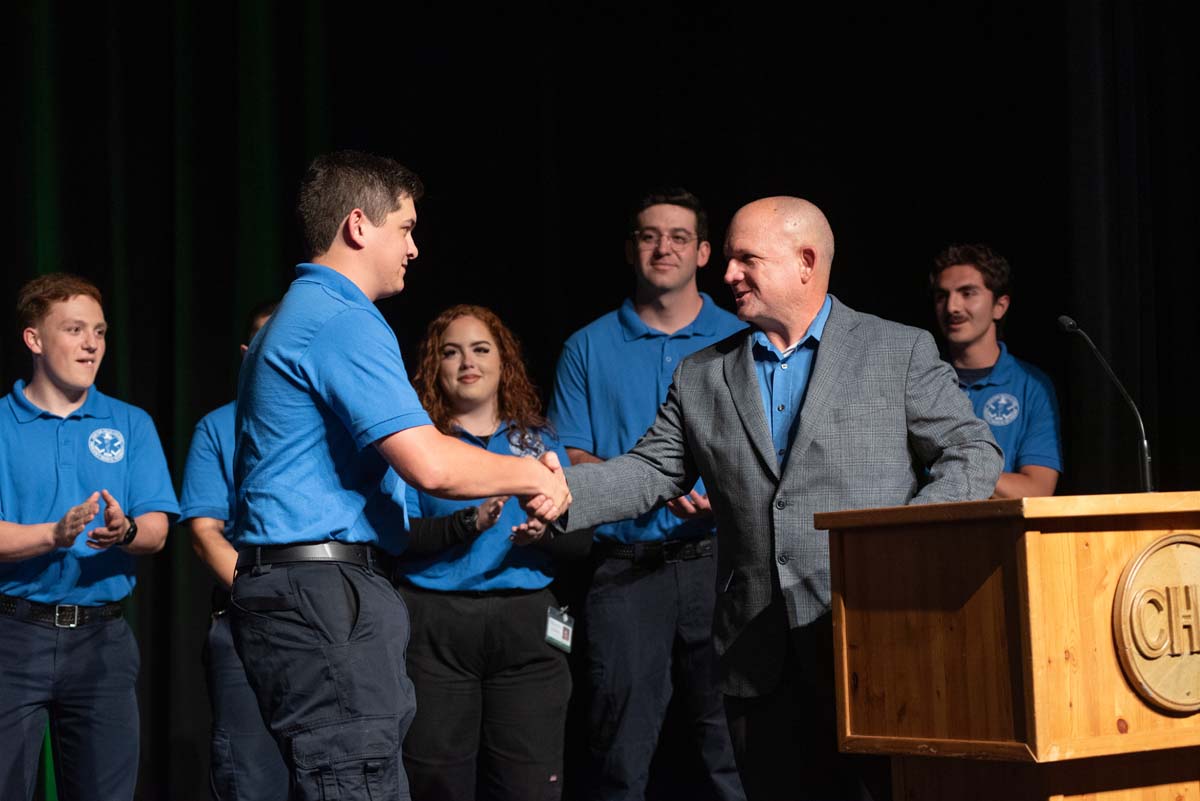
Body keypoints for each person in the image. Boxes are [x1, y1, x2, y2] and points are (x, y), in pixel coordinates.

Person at [545, 197, 1002, 801]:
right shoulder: (702, 372)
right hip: (755, 653)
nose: (727, 274)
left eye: (745, 259)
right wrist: (559, 491)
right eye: (729, 259)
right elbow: (653, 468)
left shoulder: (899, 351)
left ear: (806, 262)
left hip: (871, 638)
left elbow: (972, 454)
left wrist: (898, 545)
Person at [228, 150, 570, 801]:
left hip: (312, 586)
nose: (414, 247)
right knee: (357, 779)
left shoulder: (301, 315)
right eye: (406, 228)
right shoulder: (342, 319)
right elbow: (431, 464)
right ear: (359, 225)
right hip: (322, 590)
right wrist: (530, 472)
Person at [548, 188, 746, 801]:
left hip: (723, 567)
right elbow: (571, 458)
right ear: (631, 249)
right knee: (618, 750)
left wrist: (722, 490)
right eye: (649, 235)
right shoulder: (587, 345)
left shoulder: (740, 336)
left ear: (705, 252)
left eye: (679, 237)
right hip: (626, 569)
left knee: (732, 746)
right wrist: (649, 487)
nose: (664, 248)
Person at [0, 273, 179, 801]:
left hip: (102, 642)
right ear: (34, 340)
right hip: (14, 637)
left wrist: (124, 532)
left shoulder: (131, 423)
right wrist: (53, 535)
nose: (91, 344)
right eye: (75, 330)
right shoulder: (3, 425)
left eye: (98, 331)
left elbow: (158, 530)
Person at [396, 304, 573, 801]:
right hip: (437, 627)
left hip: (529, 625)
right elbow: (397, 535)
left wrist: (547, 529)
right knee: (436, 779)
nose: (466, 362)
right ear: (436, 367)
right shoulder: (419, 445)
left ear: (503, 361)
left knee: (529, 782)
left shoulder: (538, 440)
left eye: (480, 349)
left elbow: (582, 534)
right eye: (450, 353)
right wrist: (464, 524)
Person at [180, 300, 286, 801]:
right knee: (249, 776)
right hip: (246, 619)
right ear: (248, 355)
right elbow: (204, 534)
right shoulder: (219, 427)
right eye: (268, 346)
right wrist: (263, 597)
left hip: (328, 624)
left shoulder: (338, 421)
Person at [931, 243, 1062, 498]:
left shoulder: (1031, 386)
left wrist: (958, 471)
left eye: (967, 293)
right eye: (941, 296)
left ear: (1000, 306)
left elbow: (1037, 491)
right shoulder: (921, 380)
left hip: (1003, 535)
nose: (952, 307)